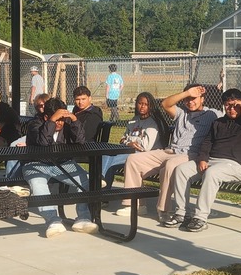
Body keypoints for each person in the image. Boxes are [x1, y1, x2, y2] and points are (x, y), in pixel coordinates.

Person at [168, 89, 241, 232]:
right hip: (212, 161)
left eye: (235, 105)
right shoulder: (219, 122)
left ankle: (200, 218)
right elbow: (207, 142)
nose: (231, 109)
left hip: (237, 166)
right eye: (227, 105)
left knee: (212, 173)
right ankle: (182, 214)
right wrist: (203, 159)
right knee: (181, 170)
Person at [119, 83, 221, 221]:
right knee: (133, 160)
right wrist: (187, 93)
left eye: (194, 98)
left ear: (202, 99)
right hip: (170, 151)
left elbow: (231, 117)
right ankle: (135, 204)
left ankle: (164, 210)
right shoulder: (181, 113)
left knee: (170, 165)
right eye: (187, 99)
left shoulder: (212, 114)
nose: (190, 102)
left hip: (190, 154)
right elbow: (165, 104)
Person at [21, 97, 98, 239]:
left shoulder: (67, 123)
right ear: (46, 117)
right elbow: (43, 143)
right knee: (39, 186)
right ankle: (53, 220)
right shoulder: (34, 125)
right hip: (35, 164)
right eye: (57, 120)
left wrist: (74, 120)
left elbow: (80, 140)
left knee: (85, 180)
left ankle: (83, 218)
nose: (60, 123)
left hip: (62, 163)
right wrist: (51, 122)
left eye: (62, 119)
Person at [101, 92, 167, 182]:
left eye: (146, 104)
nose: (142, 106)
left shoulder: (153, 124)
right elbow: (122, 139)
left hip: (145, 156)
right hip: (130, 151)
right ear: (136, 104)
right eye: (140, 103)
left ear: (150, 106)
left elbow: (144, 147)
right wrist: (129, 143)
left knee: (111, 162)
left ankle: (100, 183)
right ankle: (102, 184)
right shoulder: (134, 120)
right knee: (106, 154)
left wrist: (129, 141)